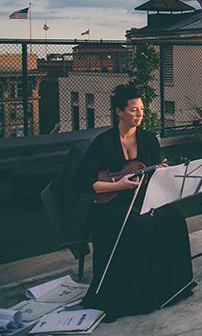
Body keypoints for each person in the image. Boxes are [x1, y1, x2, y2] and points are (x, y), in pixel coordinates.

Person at [74, 85, 193, 321]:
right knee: (138, 226)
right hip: (110, 202)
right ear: (118, 111)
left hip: (142, 198)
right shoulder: (103, 142)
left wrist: (160, 172)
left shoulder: (148, 140)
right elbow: (84, 183)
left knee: (174, 218)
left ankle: (169, 289)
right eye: (133, 110)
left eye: (141, 110)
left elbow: (153, 177)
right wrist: (117, 186)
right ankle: (137, 297)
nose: (139, 115)